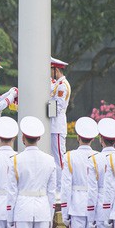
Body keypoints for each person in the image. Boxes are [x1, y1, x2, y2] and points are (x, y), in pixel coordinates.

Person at [7, 116, 56, 228]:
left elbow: (12, 192)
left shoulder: (15, 160)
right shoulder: (50, 160)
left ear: (23, 138)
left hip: (22, 207)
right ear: (40, 139)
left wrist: (10, 216)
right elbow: (52, 193)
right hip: (42, 206)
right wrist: (50, 214)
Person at [61, 116, 100, 228]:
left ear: (78, 136)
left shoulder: (70, 156)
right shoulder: (99, 157)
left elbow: (66, 186)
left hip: (76, 205)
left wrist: (64, 211)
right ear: (92, 138)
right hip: (94, 206)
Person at [50, 57, 71, 189]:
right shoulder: (58, 84)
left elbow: (56, 107)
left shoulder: (62, 85)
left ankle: (61, 187)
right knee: (55, 158)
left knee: (59, 159)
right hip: (54, 125)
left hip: (57, 125)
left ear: (56, 70)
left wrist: (43, 111)